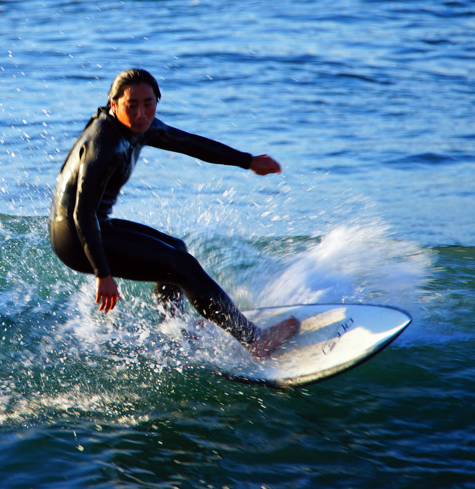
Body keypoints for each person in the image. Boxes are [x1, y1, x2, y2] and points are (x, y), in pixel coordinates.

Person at [49, 68, 298, 358]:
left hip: (93, 224)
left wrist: (248, 161)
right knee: (182, 265)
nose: (141, 113)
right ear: (114, 104)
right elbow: (81, 214)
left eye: (148, 104)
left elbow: (190, 144)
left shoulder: (140, 128)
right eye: (132, 105)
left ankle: (173, 330)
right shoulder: (104, 145)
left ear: (157, 101)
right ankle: (255, 340)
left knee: (176, 250)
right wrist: (103, 273)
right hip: (75, 235)